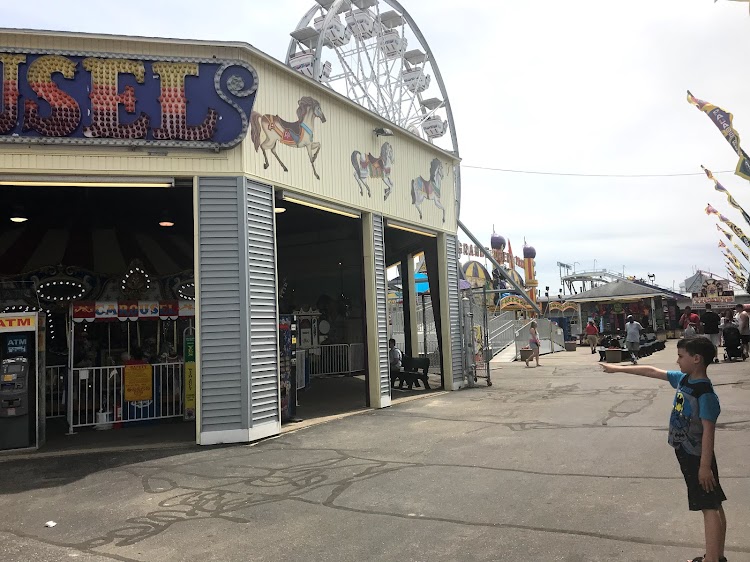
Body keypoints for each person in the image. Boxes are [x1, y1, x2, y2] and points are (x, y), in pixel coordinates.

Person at [600, 338, 727, 562]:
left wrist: (704, 466)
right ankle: (716, 556)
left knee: (709, 508)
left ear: (696, 359)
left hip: (697, 457)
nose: (677, 361)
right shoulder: (685, 380)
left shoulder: (705, 393)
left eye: (681, 356)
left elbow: (709, 431)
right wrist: (617, 368)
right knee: (713, 503)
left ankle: (712, 559)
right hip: (689, 453)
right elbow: (652, 371)